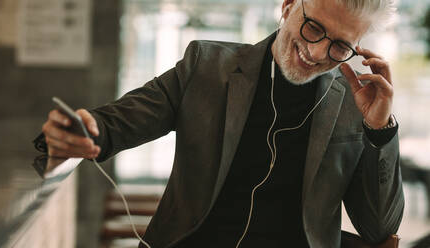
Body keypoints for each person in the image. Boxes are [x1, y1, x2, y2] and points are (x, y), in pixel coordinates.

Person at [36, 0, 404, 247]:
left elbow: (380, 229)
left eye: (341, 45)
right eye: (313, 28)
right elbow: (118, 123)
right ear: (288, 7)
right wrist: (77, 132)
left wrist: (379, 130)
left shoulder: (356, 105)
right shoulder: (207, 66)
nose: (319, 52)